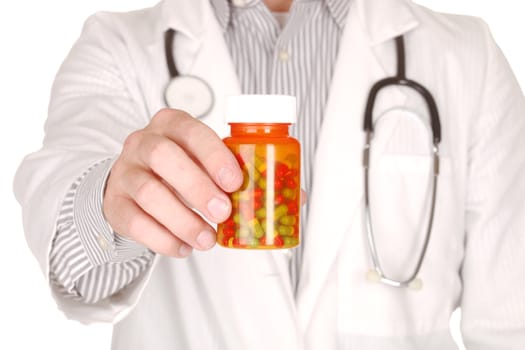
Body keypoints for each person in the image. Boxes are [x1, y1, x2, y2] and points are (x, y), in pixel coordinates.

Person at [13, 0, 525, 348]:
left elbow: (509, 326)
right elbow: (77, 260)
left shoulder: (467, 55)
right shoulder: (119, 47)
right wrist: (112, 201)